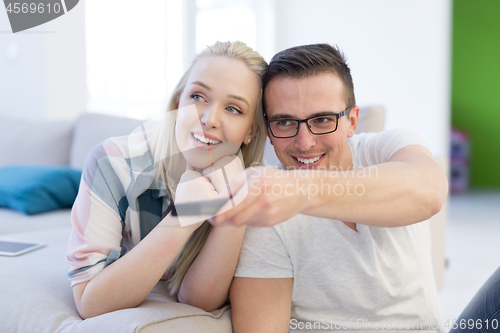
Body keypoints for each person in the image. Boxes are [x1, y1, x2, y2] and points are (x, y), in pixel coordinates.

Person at [211, 44, 449, 332]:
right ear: (268, 130)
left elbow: (429, 193)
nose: (304, 143)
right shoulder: (266, 212)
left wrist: (301, 191)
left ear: (352, 120)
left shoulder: (387, 148)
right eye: (285, 122)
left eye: (322, 120)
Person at [65, 41, 268, 319]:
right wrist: (182, 217)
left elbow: (198, 299)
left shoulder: (256, 180)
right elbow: (90, 302)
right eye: (198, 97)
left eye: (233, 109)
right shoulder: (111, 162)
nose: (210, 119)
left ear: (251, 133)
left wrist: (233, 207)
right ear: (177, 104)